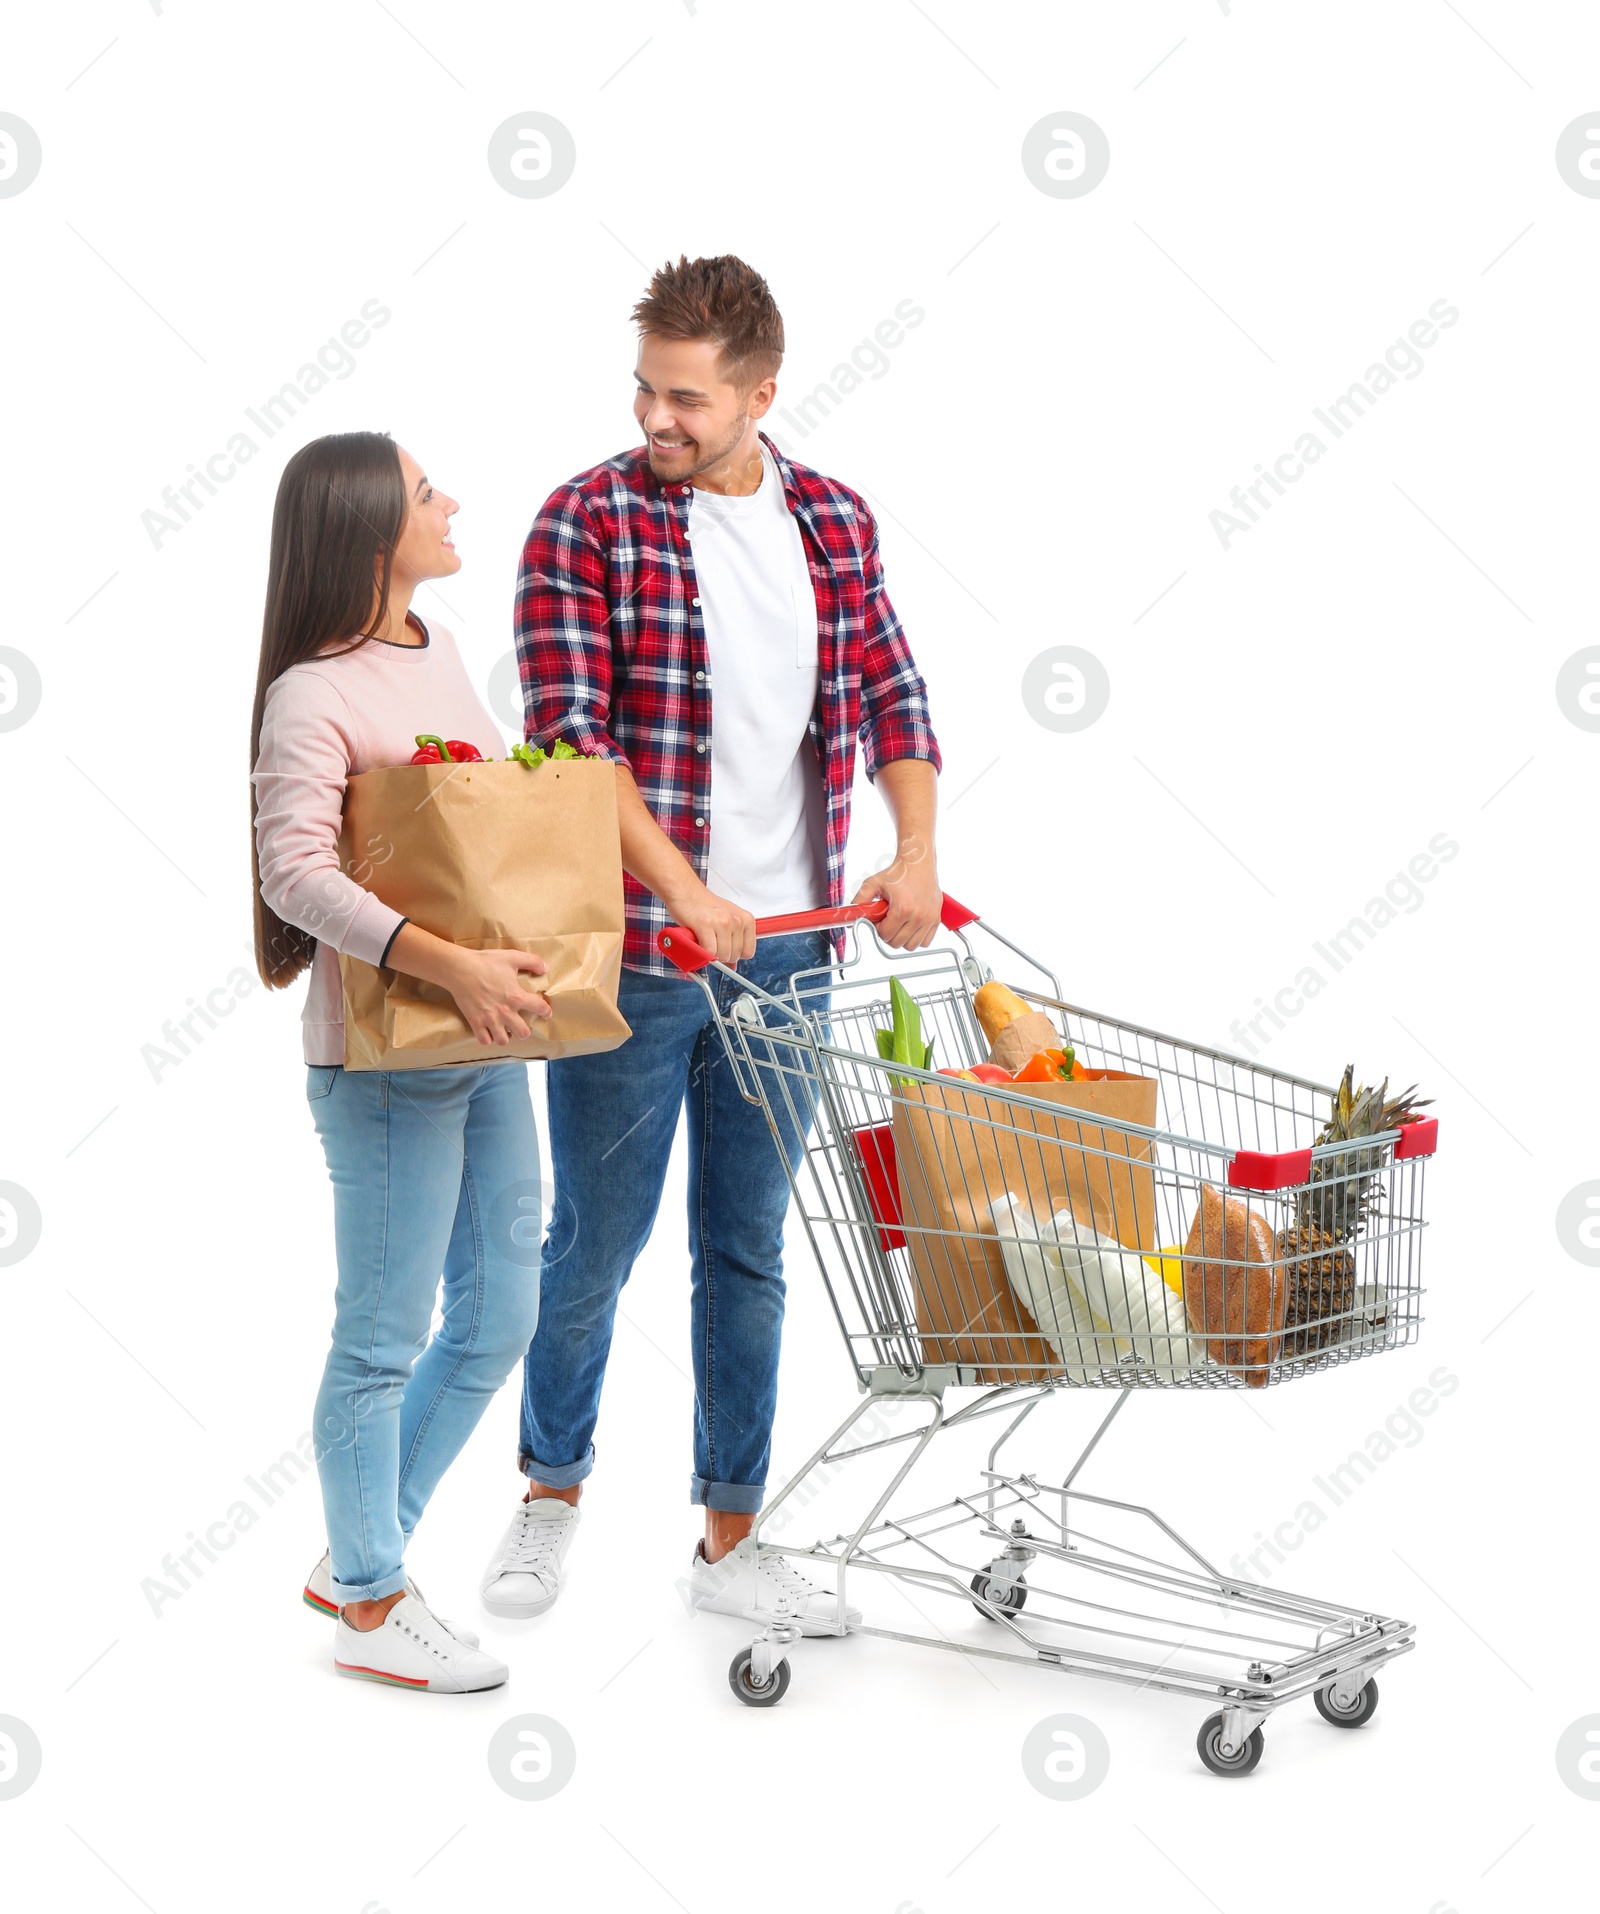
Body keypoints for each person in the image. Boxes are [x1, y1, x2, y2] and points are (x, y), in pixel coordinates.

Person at [480, 255, 942, 1632]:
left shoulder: (833, 520)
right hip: (635, 956)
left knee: (745, 1247)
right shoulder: (587, 521)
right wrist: (680, 890)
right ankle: (549, 1494)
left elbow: (896, 694)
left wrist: (913, 852)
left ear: (760, 393)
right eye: (644, 388)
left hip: (793, 956)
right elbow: (569, 742)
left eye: (686, 397)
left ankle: (730, 1536)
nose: (655, 418)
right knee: (593, 1244)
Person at [251, 430, 550, 1692]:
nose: (451, 504)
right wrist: (451, 963)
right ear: (375, 531)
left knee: (500, 1316)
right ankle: (372, 1606)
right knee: (382, 1338)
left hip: (483, 1039)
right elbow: (294, 875)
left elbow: (466, 831)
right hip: (385, 1062)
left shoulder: (445, 659)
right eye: (429, 493)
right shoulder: (312, 693)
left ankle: (356, 1553)